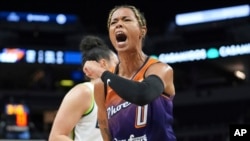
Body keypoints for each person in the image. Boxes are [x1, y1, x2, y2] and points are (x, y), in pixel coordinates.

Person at [83, 5, 176, 141]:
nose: (119, 24)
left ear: (142, 31)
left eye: (126, 20)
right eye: (114, 22)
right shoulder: (101, 86)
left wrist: (101, 72)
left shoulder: (160, 69)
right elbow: (106, 132)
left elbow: (142, 94)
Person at [48, 35, 119, 141]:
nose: (121, 69)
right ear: (104, 64)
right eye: (117, 64)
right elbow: (56, 137)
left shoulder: (118, 96)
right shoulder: (84, 92)